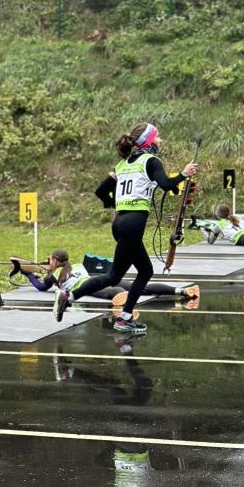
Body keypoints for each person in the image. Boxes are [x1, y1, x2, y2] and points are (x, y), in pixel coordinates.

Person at [54, 122, 198, 336]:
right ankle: (75, 298)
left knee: (141, 271)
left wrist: (115, 204)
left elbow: (101, 191)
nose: (160, 140)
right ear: (148, 142)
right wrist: (185, 174)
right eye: (157, 137)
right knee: (117, 275)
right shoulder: (151, 161)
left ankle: (124, 316)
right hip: (132, 225)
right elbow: (167, 185)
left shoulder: (122, 166)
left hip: (120, 222)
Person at [11, 250, 200, 310]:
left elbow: (40, 287)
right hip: (98, 278)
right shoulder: (75, 265)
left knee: (109, 294)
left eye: (50, 259)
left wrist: (27, 273)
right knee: (142, 286)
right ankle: (181, 291)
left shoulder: (52, 277)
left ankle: (124, 300)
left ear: (54, 261)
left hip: (86, 286)